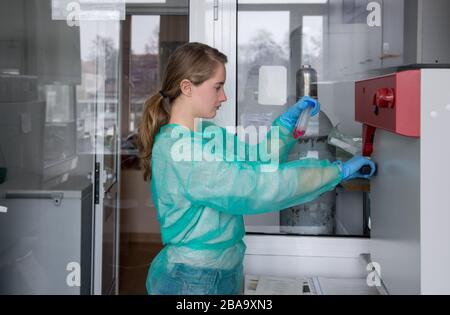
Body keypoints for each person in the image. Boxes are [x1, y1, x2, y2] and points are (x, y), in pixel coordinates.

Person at [138, 42, 375, 295]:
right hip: (193, 279)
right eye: (217, 87)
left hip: (221, 271)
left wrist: (285, 127)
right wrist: (335, 172)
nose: (224, 96)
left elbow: (257, 159)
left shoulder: (205, 134)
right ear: (186, 87)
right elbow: (252, 188)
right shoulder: (179, 151)